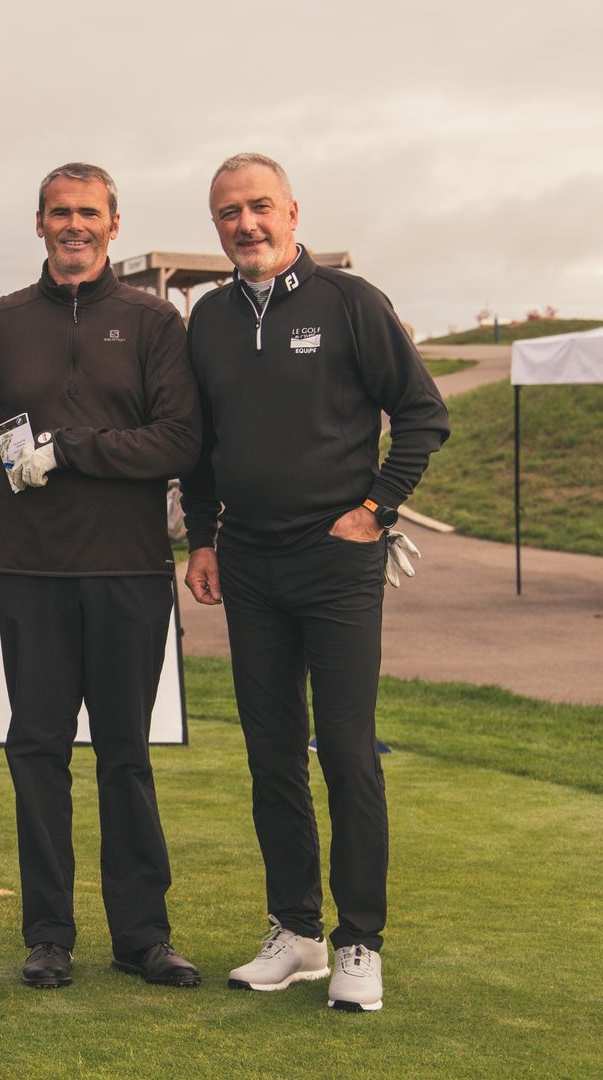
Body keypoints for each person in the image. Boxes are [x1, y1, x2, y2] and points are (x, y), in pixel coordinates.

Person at [181, 153, 450, 1013]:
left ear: (292, 212)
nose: (246, 224)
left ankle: (358, 941)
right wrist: (201, 539)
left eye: (259, 206)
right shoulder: (207, 319)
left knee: (343, 749)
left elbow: (422, 413)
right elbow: (201, 450)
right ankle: (294, 933)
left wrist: (376, 508)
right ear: (215, 225)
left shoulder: (349, 301)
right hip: (248, 563)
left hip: (335, 562)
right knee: (270, 755)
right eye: (229, 213)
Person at [0, 163, 203, 990]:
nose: (72, 225)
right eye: (58, 212)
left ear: (113, 225)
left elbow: (179, 439)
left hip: (129, 569)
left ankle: (142, 937)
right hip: (30, 570)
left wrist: (74, 448)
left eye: (87, 213)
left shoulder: (153, 322)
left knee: (125, 756)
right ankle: (47, 935)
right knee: (38, 751)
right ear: (39, 223)